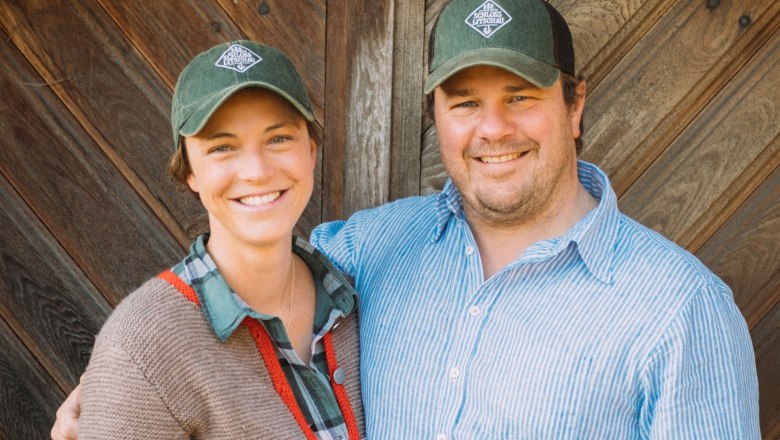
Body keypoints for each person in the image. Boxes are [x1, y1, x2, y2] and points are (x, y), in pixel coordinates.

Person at [53, 0, 760, 438]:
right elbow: (242, 293)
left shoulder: (680, 311)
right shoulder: (368, 249)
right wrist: (114, 399)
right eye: (463, 101)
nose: (492, 128)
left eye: (520, 96)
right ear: (435, 120)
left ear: (574, 106)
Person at [56, 40, 364, 439]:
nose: (255, 170)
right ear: (190, 173)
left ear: (311, 149)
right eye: (222, 147)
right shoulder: (140, 350)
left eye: (278, 139)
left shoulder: (357, 301)